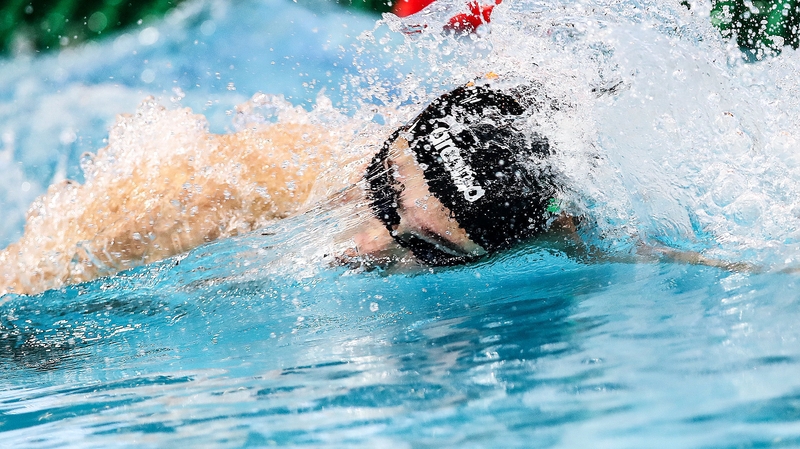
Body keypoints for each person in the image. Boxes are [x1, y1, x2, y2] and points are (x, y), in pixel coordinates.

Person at [0, 77, 744, 297]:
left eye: (420, 242)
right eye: (380, 191)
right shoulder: (220, 184)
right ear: (388, 142)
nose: (362, 245)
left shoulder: (580, 227)